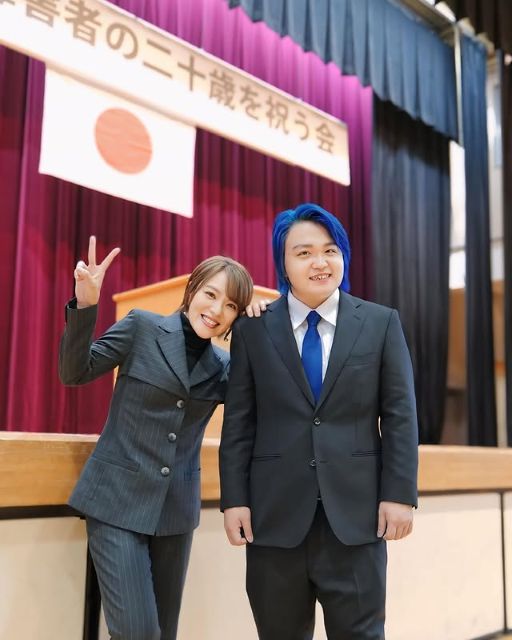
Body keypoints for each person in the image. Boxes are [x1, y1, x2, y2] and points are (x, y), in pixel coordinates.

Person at [219, 203, 418, 640]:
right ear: (283, 263)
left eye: (330, 250)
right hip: (273, 519)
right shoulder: (254, 330)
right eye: (304, 252)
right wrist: (234, 499)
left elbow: (400, 416)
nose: (320, 262)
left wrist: (400, 494)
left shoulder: (381, 323)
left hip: (357, 519)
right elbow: (239, 423)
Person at [59, 236, 254, 640]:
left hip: (175, 514)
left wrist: (263, 330)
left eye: (231, 305)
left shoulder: (225, 367)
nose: (217, 310)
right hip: (114, 502)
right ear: (192, 289)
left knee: (164, 633)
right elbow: (75, 372)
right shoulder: (142, 327)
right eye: (211, 294)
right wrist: (86, 304)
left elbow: (263, 411)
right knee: (139, 633)